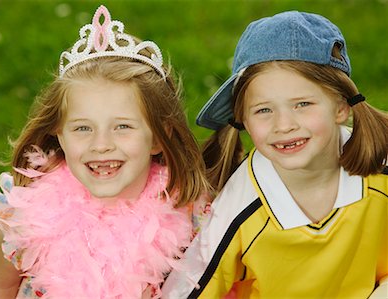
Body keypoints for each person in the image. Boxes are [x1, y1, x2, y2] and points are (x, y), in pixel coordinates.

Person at [0, 5, 210, 298]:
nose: (101, 144)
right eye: (83, 128)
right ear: (58, 134)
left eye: (123, 126)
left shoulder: (190, 220)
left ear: (159, 138)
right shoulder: (28, 221)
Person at [162, 11, 388, 298]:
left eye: (303, 104)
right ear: (242, 117)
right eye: (264, 110)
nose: (284, 125)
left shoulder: (381, 172)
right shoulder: (238, 207)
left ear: (341, 107)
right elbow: (185, 289)